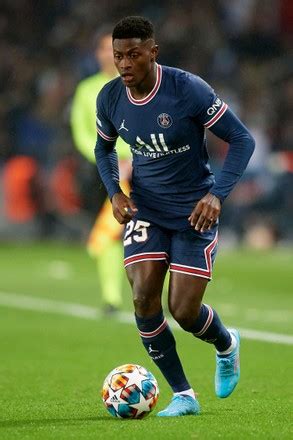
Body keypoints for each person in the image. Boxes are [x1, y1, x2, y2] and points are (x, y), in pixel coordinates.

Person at [95, 16, 255, 417]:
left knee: (183, 311)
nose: (125, 64)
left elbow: (241, 139)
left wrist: (217, 195)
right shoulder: (110, 98)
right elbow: (104, 149)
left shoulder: (188, 90)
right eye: (119, 57)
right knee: (143, 297)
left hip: (193, 213)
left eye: (134, 55)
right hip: (146, 208)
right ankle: (183, 395)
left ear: (153, 52)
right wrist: (115, 191)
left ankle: (226, 344)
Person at [71, 26, 132, 313]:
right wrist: (104, 159)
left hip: (141, 167)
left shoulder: (136, 83)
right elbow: (81, 133)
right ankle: (111, 297)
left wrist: (135, 158)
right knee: (109, 233)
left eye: (114, 48)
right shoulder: (86, 89)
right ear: (97, 54)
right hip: (105, 171)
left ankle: (161, 292)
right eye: (104, 48)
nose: (109, 54)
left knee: (153, 229)